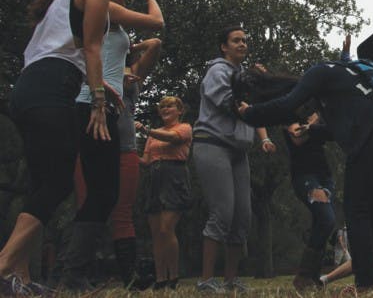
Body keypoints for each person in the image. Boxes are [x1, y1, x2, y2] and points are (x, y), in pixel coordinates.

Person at [0, 0, 114, 295]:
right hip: (51, 89)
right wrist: (98, 102)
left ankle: (20, 280)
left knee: (41, 184)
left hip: (29, 87)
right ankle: (4, 266)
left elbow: (72, 50)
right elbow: (93, 49)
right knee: (59, 181)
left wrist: (101, 85)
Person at [239, 56, 373, 292]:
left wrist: (249, 113)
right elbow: (332, 131)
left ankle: (365, 283)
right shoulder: (349, 83)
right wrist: (312, 129)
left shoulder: (319, 72)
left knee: (357, 210)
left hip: (372, 135)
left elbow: (287, 104)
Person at [64, 0, 164, 290]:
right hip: (91, 105)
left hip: (106, 108)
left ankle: (81, 274)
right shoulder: (103, 6)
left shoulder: (114, 28)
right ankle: (73, 273)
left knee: (107, 196)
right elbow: (156, 24)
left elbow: (153, 41)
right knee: (99, 194)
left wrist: (123, 65)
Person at [193, 26, 276, 293]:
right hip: (212, 144)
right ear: (224, 47)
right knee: (223, 213)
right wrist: (256, 86)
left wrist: (261, 86)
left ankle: (231, 281)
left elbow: (256, 111)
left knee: (243, 217)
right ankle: (206, 280)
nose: (242, 44)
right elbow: (232, 105)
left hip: (239, 152)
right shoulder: (217, 71)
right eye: (236, 40)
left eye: (245, 40)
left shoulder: (243, 76)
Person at [112, 36, 161, 289]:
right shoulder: (95, 63)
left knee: (123, 211)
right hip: (94, 143)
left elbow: (154, 43)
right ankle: (73, 271)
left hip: (125, 145)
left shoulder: (133, 70)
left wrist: (130, 46)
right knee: (88, 205)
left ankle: (130, 277)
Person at [136, 96, 192, 289]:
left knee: (166, 229)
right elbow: (145, 160)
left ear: (179, 110)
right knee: (156, 233)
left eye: (170, 106)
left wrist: (145, 129)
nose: (165, 109)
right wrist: (126, 154)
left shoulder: (184, 128)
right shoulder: (153, 135)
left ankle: (173, 276)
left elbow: (173, 139)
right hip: (153, 178)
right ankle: (160, 279)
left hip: (174, 176)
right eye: (162, 107)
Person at [284, 113, 337, 290]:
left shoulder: (319, 106)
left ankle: (312, 278)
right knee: (327, 220)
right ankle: (303, 275)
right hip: (305, 174)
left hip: (325, 175)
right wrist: (315, 122)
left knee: (321, 223)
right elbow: (297, 137)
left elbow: (335, 132)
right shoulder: (289, 107)